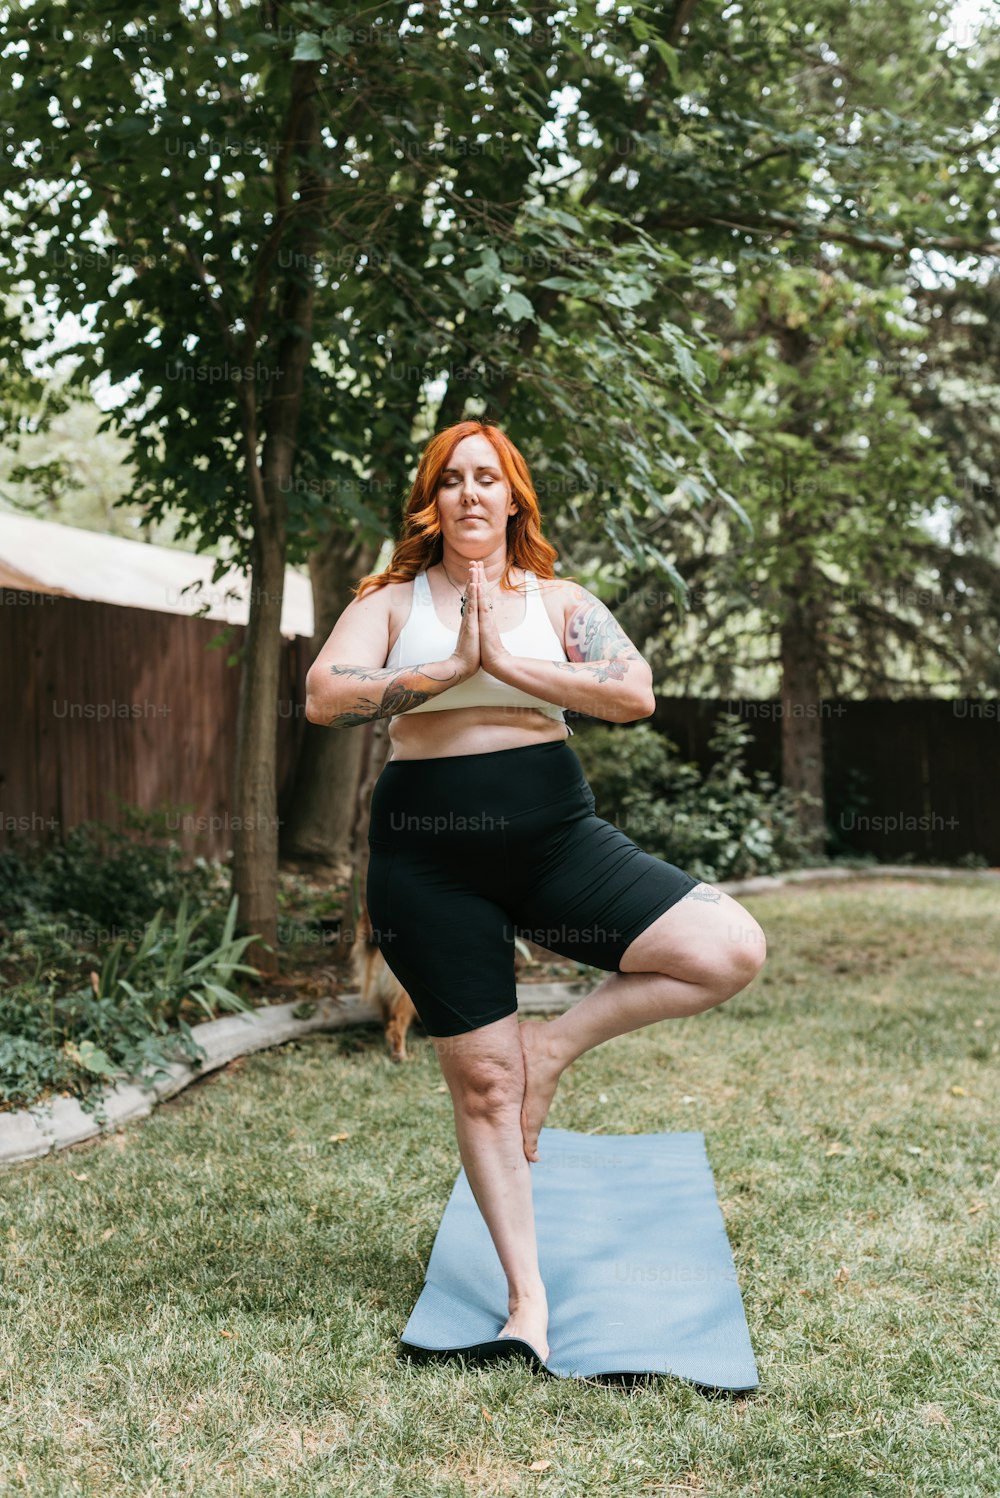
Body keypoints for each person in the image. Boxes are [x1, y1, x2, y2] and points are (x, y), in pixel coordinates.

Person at [304, 421, 767, 1364]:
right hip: (429, 862)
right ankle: (527, 1304)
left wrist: (505, 663)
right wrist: (443, 669)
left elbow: (634, 693)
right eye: (451, 480)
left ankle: (551, 1049)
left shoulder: (558, 600)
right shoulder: (392, 601)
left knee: (730, 948)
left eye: (488, 478)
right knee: (482, 1082)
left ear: (514, 498)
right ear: (432, 502)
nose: (470, 494)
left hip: (556, 843)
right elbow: (322, 693)